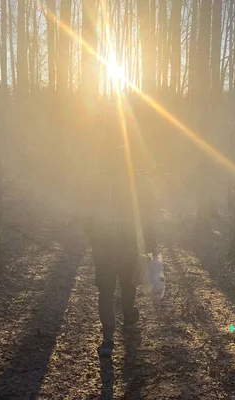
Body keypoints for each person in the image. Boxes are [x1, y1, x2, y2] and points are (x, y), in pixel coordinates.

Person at [83, 133, 157, 358]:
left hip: (104, 250)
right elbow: (147, 216)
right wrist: (151, 245)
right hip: (127, 247)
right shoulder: (139, 182)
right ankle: (128, 319)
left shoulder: (97, 181)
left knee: (105, 292)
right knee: (128, 286)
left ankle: (107, 339)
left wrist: (95, 240)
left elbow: (87, 217)